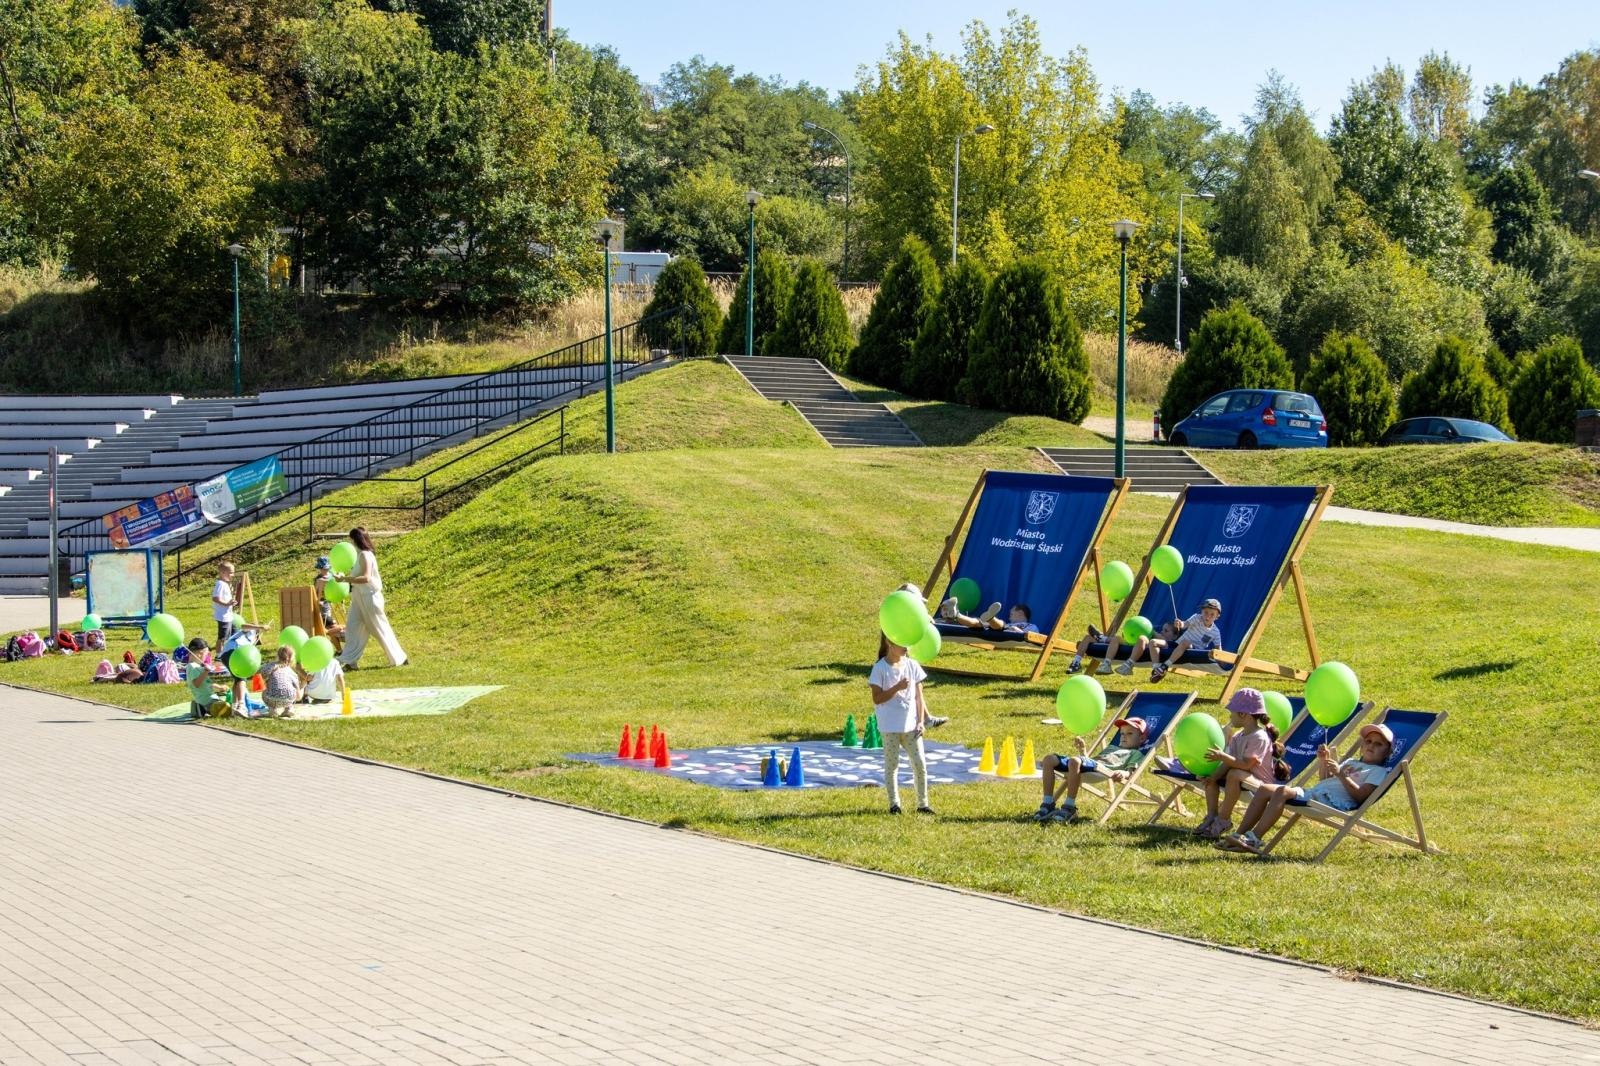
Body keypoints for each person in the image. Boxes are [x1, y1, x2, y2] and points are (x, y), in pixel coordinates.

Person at [1219, 723, 1395, 855]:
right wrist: (1323, 762)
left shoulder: (1378, 772)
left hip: (1330, 803)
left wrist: (1341, 774)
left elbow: (1360, 796)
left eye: (1378, 744)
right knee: (1265, 788)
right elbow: (1325, 781)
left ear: (1388, 753)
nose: (1371, 745)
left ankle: (1254, 839)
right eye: (1368, 741)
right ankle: (1238, 836)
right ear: (1362, 745)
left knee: (1282, 791)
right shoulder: (1351, 762)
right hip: (1316, 794)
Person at [1191, 688, 1283, 840]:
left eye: (1232, 712)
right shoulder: (1238, 736)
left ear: (1243, 714)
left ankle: (1223, 820)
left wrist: (1222, 756)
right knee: (1211, 777)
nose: (1230, 716)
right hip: (1240, 779)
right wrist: (1212, 778)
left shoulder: (1259, 737)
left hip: (1260, 785)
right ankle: (1212, 817)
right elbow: (1228, 763)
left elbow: (1246, 765)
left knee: (1234, 774)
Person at [1034, 716, 1148, 824]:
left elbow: (1131, 772)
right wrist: (1083, 750)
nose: (1123, 736)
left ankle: (1069, 808)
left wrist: (1123, 773)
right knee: (1048, 759)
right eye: (1122, 733)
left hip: (1102, 771)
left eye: (1129, 733)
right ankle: (1047, 804)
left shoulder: (1135, 753)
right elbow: (1089, 762)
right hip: (1088, 766)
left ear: (1141, 738)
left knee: (1074, 761)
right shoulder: (1112, 748)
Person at [868, 633, 934, 815]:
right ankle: (894, 804)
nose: (906, 646)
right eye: (901, 643)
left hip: (911, 726)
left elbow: (919, 697)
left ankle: (923, 804)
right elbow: (877, 698)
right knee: (892, 765)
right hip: (890, 727)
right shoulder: (880, 668)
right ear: (890, 643)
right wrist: (897, 687)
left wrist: (921, 721)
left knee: (920, 764)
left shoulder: (912, 665)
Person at [338, 528, 407, 669]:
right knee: (353, 628)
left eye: (350, 539)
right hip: (358, 598)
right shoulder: (358, 556)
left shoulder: (364, 555)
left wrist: (344, 579)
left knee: (379, 629)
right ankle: (350, 661)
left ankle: (399, 657)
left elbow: (366, 577)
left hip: (369, 597)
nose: (349, 542)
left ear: (355, 539)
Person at [1150, 598, 1224, 682]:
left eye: (1212, 614)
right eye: (1206, 612)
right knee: (1153, 642)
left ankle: (1165, 666)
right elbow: (1184, 625)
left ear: (1217, 617)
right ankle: (1157, 669)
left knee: (1185, 642)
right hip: (1178, 645)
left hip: (1194, 650)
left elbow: (1219, 649)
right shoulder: (1196, 617)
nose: (1208, 616)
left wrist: (1222, 666)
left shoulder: (1215, 632)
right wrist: (1179, 623)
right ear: (1201, 611)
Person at [217, 622, 268, 711]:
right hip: (233, 653)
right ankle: (241, 705)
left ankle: (234, 705)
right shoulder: (250, 631)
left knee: (237, 679)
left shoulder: (251, 642)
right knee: (241, 677)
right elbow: (243, 626)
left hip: (227, 655)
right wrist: (260, 627)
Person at [936, 598, 1037, 635]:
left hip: (1007, 631)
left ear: (1020, 613)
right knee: (978, 623)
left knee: (1003, 625)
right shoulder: (1010, 623)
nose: (1009, 614)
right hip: (995, 630)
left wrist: (1016, 630)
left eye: (1012, 612)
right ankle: (956, 615)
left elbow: (1030, 637)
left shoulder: (1032, 626)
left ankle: (991, 618)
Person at [261, 646, 303, 718]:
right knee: (291, 689)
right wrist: (303, 685)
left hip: (271, 699)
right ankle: (288, 709)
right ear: (291, 658)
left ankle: (272, 710)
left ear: (277, 655)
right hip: (288, 699)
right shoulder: (291, 672)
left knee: (264, 692)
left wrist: (268, 678)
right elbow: (298, 695)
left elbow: (263, 673)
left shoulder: (271, 666)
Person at [211, 561, 237, 645]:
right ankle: (218, 655)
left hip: (228, 615)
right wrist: (227, 604)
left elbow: (225, 598)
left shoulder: (225, 584)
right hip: (223, 616)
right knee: (222, 638)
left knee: (233, 632)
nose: (233, 575)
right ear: (223, 573)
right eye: (231, 573)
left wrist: (231, 602)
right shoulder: (220, 584)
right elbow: (215, 598)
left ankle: (229, 650)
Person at [314, 555, 337, 632]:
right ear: (320, 569)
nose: (325, 571)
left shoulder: (331, 576)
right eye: (323, 569)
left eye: (326, 569)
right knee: (325, 619)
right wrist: (317, 600)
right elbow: (315, 591)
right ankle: (329, 628)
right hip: (322, 602)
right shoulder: (318, 579)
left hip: (329, 601)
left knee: (328, 618)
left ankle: (331, 630)